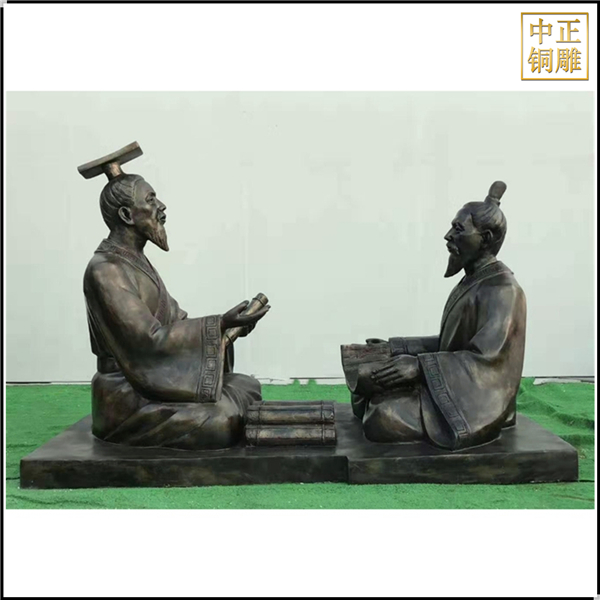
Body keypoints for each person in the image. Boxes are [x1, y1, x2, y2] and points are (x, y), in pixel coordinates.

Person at [84, 173, 269, 450]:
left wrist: (227, 330)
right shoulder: (106, 270)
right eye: (150, 199)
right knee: (223, 419)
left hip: (151, 383)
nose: (161, 206)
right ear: (126, 215)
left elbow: (175, 323)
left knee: (246, 386)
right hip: (126, 393)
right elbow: (146, 342)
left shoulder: (136, 262)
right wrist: (218, 325)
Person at [341, 182, 526, 450]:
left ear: (485, 239)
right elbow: (452, 344)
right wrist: (396, 348)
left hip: (479, 401)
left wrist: (418, 367)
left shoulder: (503, 290)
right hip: (454, 382)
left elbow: (487, 361)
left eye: (458, 229)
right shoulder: (474, 281)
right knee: (364, 394)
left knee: (383, 416)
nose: (448, 236)